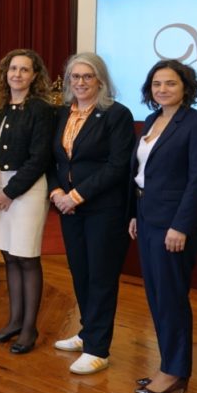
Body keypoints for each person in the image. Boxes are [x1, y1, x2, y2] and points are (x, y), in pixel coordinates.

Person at [129, 60, 197, 393]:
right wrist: (136, 214)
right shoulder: (153, 120)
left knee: (171, 298)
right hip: (148, 217)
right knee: (157, 297)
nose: (162, 89)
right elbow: (143, 173)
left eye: (170, 83)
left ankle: (175, 372)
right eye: (156, 84)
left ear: (186, 88)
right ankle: (168, 365)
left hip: (174, 225)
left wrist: (180, 226)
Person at [49, 52, 134, 375]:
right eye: (75, 77)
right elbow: (55, 159)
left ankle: (99, 348)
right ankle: (87, 332)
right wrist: (57, 192)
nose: (81, 82)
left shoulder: (116, 114)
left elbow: (117, 166)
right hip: (68, 208)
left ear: (101, 80)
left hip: (103, 209)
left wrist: (77, 195)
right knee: (80, 272)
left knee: (101, 276)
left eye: (88, 76)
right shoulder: (62, 114)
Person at [0, 49, 55, 354]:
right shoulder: (0, 108)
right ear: (6, 73)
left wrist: (9, 192)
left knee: (27, 257)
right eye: (13, 68)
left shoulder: (40, 109)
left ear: (34, 76)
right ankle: (14, 321)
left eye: (25, 70)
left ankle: (29, 328)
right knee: (9, 257)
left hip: (26, 190)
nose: (17, 74)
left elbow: (40, 158)